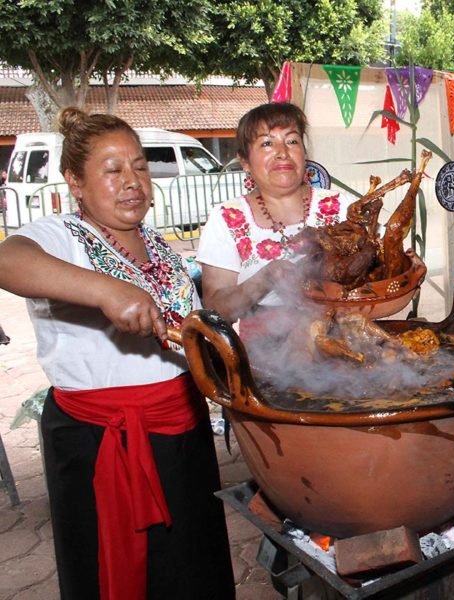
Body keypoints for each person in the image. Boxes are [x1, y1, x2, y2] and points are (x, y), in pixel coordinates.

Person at [0, 108, 234, 600]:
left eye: (140, 166)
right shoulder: (60, 236)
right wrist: (105, 290)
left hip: (182, 432)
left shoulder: (158, 245)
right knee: (123, 575)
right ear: (75, 182)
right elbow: (7, 260)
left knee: (192, 566)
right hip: (101, 439)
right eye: (113, 170)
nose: (133, 182)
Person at [196, 102, 354, 324]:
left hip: (349, 338)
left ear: (304, 154)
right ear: (245, 161)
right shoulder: (227, 218)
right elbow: (215, 309)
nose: (282, 153)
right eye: (267, 143)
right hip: (266, 352)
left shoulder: (344, 207)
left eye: (292, 141)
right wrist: (265, 279)